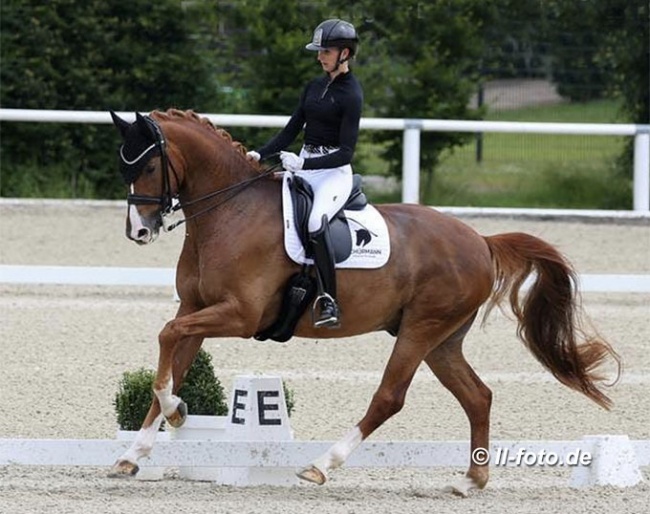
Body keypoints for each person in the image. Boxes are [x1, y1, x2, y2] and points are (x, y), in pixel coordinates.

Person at [247, 19, 363, 329]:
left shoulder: (352, 94)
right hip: (305, 164)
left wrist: (305, 166)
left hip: (333, 173)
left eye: (325, 51)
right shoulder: (314, 86)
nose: (319, 56)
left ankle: (329, 300)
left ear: (345, 53)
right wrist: (261, 152)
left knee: (314, 222)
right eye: (320, 51)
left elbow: (346, 152)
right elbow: (291, 130)